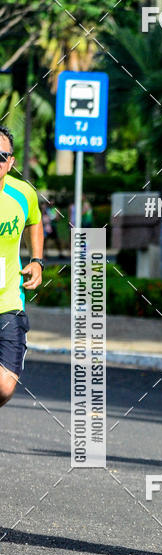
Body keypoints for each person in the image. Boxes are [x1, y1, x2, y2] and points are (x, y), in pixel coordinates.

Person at [0, 126, 44, 407]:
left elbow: (35, 221)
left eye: (1, 156)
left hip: (8, 301)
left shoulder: (23, 193)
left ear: (11, 161)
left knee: (4, 388)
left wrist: (37, 260)